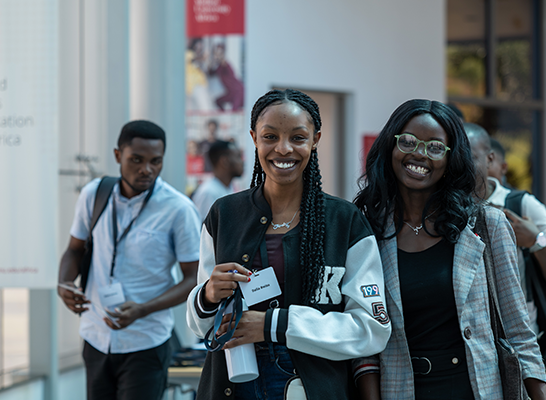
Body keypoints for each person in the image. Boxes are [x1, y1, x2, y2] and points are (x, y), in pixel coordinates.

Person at [186, 89, 391, 400]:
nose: (283, 149)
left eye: (297, 137)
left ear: (315, 139)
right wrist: (208, 295)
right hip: (233, 382)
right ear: (254, 138)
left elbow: (371, 329)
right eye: (270, 137)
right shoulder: (224, 214)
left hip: (312, 386)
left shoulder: (344, 221)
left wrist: (273, 325)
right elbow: (200, 326)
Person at [353, 100, 546, 399]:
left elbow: (519, 333)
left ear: (450, 158)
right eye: (407, 141)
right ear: (390, 146)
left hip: (476, 390)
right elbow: (363, 337)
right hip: (403, 389)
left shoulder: (487, 225)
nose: (419, 154)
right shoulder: (367, 230)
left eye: (434, 147)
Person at [57, 120, 201, 400]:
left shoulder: (178, 209)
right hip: (95, 336)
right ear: (117, 156)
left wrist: (142, 309)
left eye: (155, 161)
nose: (146, 169)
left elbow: (194, 278)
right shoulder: (94, 194)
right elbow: (74, 250)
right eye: (136, 159)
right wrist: (64, 282)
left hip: (146, 342)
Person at [465, 123, 546, 332]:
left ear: (489, 159)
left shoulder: (522, 205)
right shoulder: (439, 207)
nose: (460, 164)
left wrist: (536, 241)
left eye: (469, 156)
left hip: (516, 337)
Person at [192, 139, 244, 221]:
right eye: (238, 157)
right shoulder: (208, 193)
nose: (242, 162)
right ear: (224, 161)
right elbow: (204, 230)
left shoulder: (228, 187)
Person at [208, 43, 244, 111]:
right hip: (230, 93)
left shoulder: (226, 64)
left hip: (238, 91)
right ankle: (223, 114)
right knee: (218, 101)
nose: (217, 55)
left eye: (219, 53)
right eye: (216, 53)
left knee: (234, 112)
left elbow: (222, 61)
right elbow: (210, 73)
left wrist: (217, 56)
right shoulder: (219, 67)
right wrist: (211, 60)